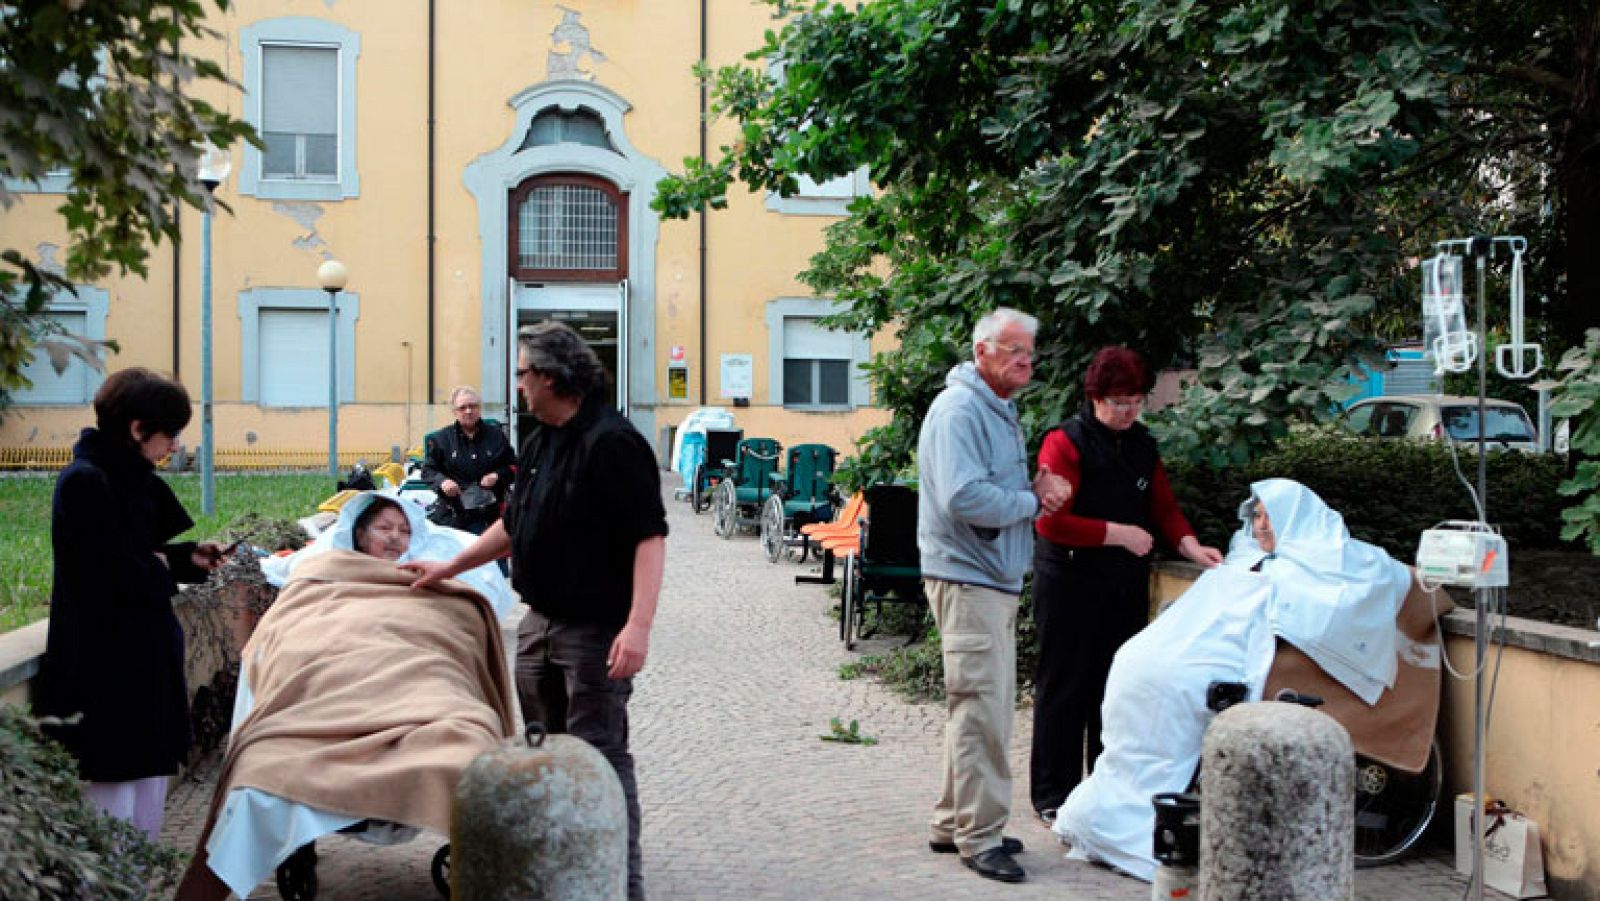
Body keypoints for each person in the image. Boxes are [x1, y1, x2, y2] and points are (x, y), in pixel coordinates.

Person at [407, 321, 666, 901]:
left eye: (523, 373)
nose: (518, 384)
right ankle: (560, 873)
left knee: (601, 757)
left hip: (594, 632)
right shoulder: (541, 438)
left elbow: (650, 537)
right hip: (538, 625)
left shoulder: (613, 442)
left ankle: (621, 886)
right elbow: (512, 524)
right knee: (544, 752)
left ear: (550, 377)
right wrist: (449, 567)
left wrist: (638, 626)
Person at [1051, 478, 1416, 880]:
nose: (1259, 526)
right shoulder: (1243, 557)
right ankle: (1109, 815)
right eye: (1255, 515)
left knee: (1175, 686)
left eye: (1268, 517)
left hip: (1219, 657)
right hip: (1177, 647)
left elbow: (1380, 581)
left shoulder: (1328, 562)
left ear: (1294, 520)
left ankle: (1138, 827)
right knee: (1134, 664)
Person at [1027, 346, 1223, 824]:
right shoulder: (1065, 443)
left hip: (1122, 583)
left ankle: (1103, 784)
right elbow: (1052, 524)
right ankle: (1052, 794)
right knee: (1064, 686)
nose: (1127, 411)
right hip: (1069, 578)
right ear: (1095, 398)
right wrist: (1118, 534)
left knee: (1114, 687)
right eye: (1118, 402)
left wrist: (1191, 546)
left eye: (1135, 401)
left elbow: (1164, 506)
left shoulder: (1142, 445)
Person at [35, 367, 226, 841]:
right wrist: (158, 564)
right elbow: (116, 570)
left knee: (147, 797)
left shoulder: (126, 477)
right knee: (113, 804)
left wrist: (185, 557)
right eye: (170, 434)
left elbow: (140, 553)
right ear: (137, 429)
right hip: (107, 669)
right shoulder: (86, 481)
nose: (175, 446)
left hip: (143, 665)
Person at [917, 307, 1071, 884]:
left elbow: (989, 490)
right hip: (970, 575)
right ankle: (980, 838)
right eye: (1013, 350)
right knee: (984, 709)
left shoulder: (995, 408)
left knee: (978, 705)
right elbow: (965, 497)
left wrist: (1028, 490)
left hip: (986, 575)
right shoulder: (961, 409)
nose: (1026, 359)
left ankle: (955, 821)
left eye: (1029, 350)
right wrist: (1034, 502)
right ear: (982, 352)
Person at [420, 385, 515, 534]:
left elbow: (513, 467)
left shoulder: (496, 436)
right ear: (454, 412)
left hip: (491, 519)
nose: (468, 411)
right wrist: (443, 482)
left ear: (479, 408)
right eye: (462, 407)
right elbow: (428, 470)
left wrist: (497, 475)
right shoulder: (441, 439)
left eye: (473, 406)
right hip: (454, 517)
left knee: (494, 558)